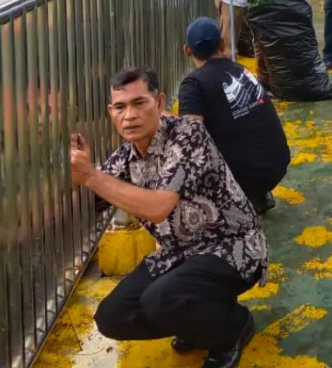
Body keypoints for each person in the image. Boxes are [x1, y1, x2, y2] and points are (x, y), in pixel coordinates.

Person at [71, 67, 267, 368]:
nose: (129, 116)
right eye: (120, 107)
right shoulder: (127, 155)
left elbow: (157, 207)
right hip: (180, 254)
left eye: (140, 103)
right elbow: (90, 201)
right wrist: (68, 174)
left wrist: (91, 176)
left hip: (233, 247)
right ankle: (196, 322)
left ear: (159, 102)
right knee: (112, 317)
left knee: (161, 299)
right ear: (111, 112)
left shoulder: (188, 134)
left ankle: (232, 327)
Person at [178, 17, 291, 214]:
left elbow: (190, 137)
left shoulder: (193, 84)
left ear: (187, 50)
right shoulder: (241, 70)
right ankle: (256, 195)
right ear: (222, 45)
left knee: (184, 148)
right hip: (277, 164)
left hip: (245, 177)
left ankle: (230, 203)